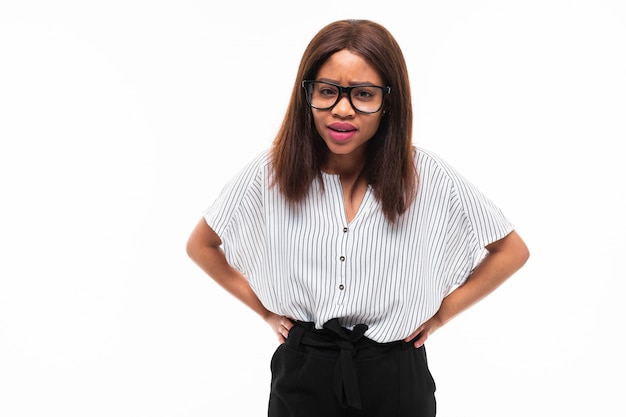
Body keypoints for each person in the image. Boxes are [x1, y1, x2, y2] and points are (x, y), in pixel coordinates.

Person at [186, 19, 529, 417]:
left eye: (363, 94)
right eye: (328, 92)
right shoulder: (270, 173)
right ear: (307, 95)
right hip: (304, 374)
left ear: (388, 101)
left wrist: (439, 314)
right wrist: (264, 311)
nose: (342, 110)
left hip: (396, 374)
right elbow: (202, 245)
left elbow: (510, 250)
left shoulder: (428, 175)